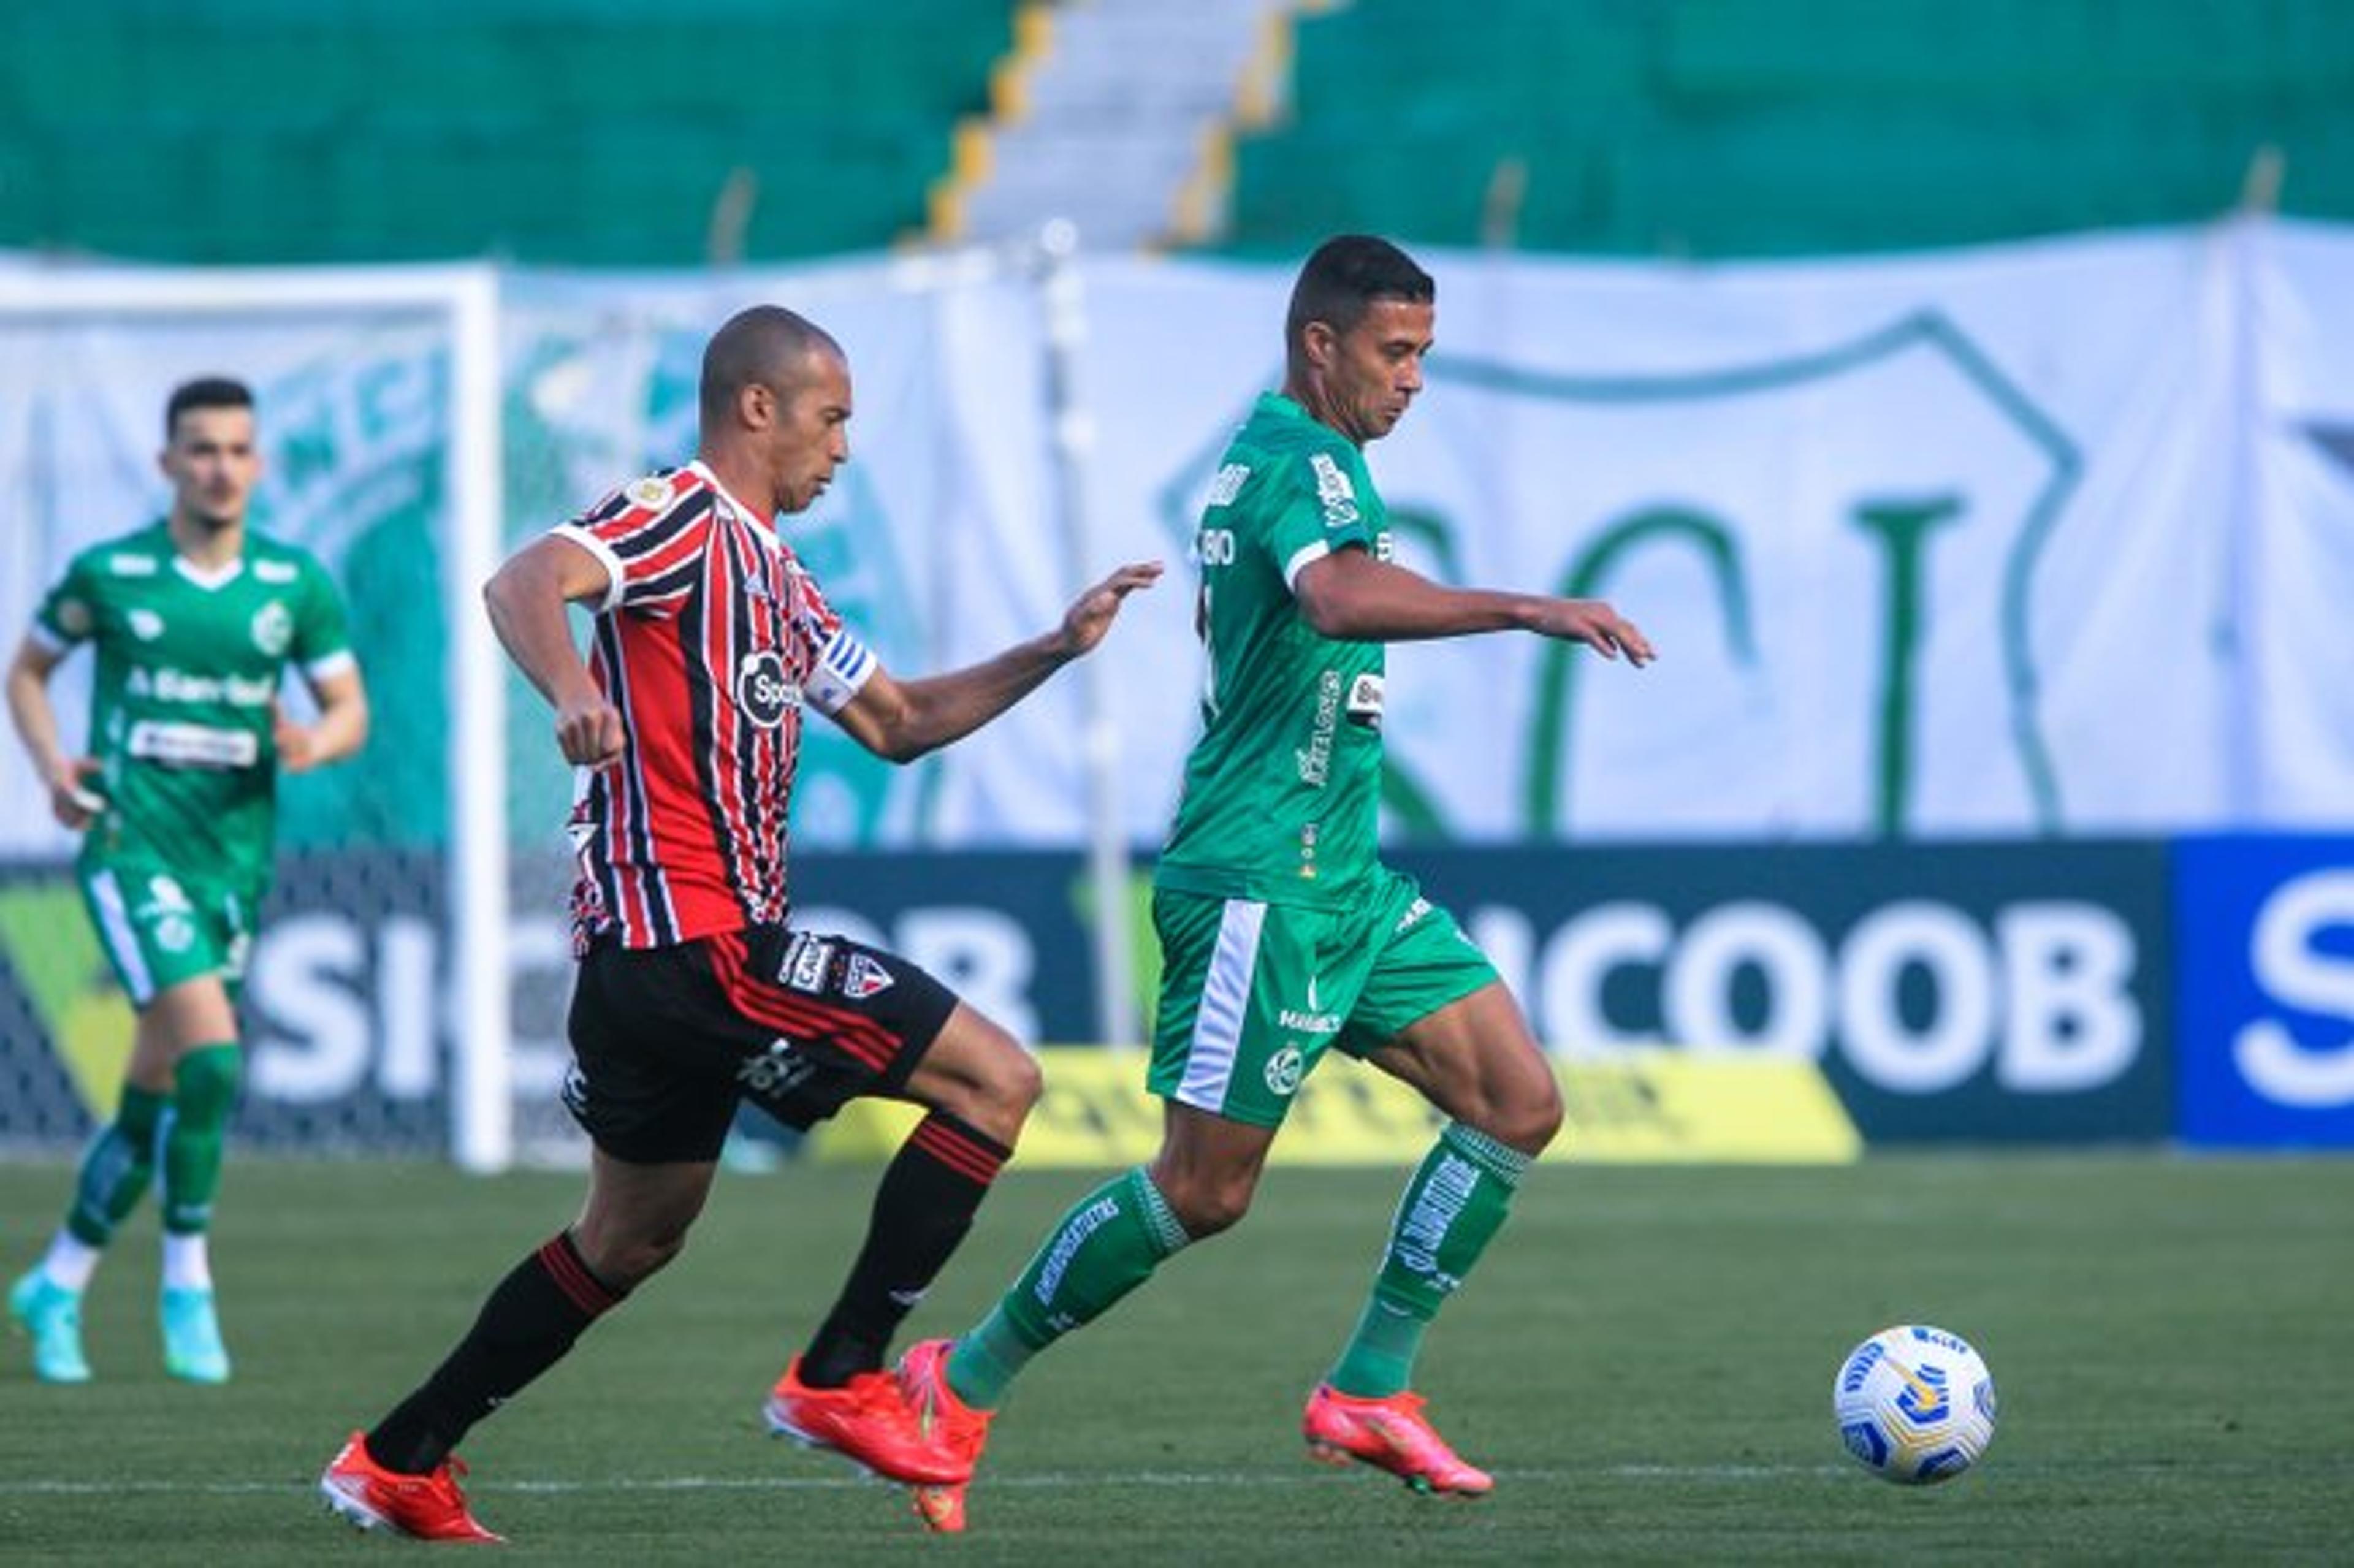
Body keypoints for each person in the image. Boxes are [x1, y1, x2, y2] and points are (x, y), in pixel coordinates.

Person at [318, 304, 1160, 1543]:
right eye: (832, 419)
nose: (844, 449)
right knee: (996, 1080)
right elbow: (523, 579)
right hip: (693, 943)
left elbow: (900, 721)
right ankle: (840, 1376)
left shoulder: (780, 576)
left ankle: (397, 1456)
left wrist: (1053, 647)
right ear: (758, 408)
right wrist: (574, 683)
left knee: (632, 1234)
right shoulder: (678, 516)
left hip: (650, 976)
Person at [893, 235, 1656, 1533]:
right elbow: (1339, 599)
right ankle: (957, 1380)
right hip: (1261, 882)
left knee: (1517, 1100)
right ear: (1323, 344)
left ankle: (1369, 1386)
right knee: (1204, 1190)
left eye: (1424, 354)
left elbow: (1280, 612)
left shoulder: (1301, 459)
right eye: (1395, 352)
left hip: (1340, 879)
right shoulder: (1300, 460)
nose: (1414, 379)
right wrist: (1526, 608)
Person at [7, 376, 371, 1386]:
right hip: (132, 852)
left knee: (150, 1102)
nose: (219, 466)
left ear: (258, 464)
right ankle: (187, 1287)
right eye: (200, 448)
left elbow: (349, 711)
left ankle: (58, 1280)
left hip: (233, 864)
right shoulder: (113, 574)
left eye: (236, 448)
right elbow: (26, 671)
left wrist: (310, 741)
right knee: (212, 1062)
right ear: (168, 462)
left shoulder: (291, 585)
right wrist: (51, 767)